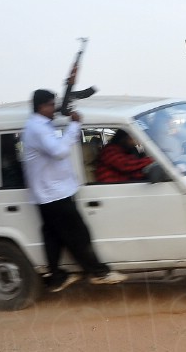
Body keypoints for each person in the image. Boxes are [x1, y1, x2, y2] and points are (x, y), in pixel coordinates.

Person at [22, 89, 121, 291]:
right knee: (78, 235)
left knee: (54, 238)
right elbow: (59, 151)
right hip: (55, 194)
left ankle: (56, 277)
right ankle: (98, 273)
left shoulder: (40, 125)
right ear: (42, 107)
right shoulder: (38, 129)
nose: (54, 109)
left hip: (49, 194)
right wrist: (75, 124)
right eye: (51, 105)